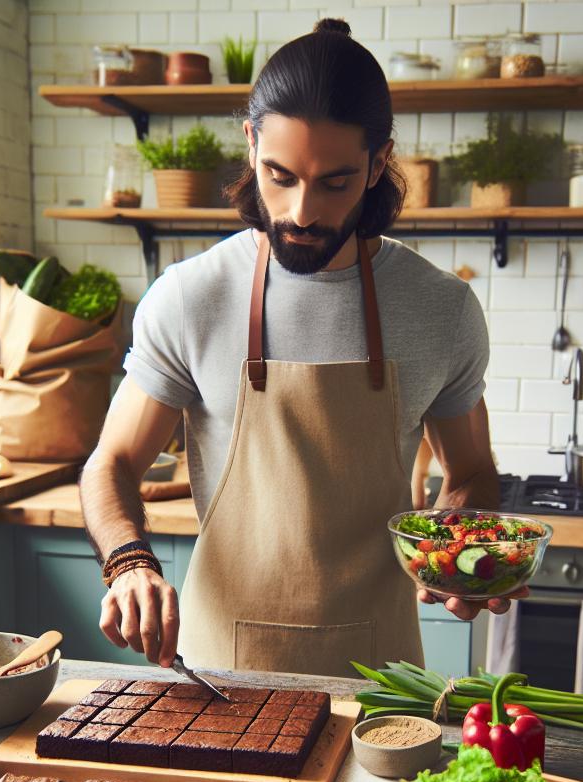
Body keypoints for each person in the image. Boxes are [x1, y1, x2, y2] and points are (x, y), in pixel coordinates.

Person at [80, 18, 526, 678]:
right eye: (279, 176)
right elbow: (111, 462)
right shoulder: (192, 297)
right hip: (223, 664)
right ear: (251, 143)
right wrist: (128, 562)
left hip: (382, 670)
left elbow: (469, 474)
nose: (301, 210)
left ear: (379, 163)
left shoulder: (441, 309)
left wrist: (456, 549)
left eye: (334, 181)